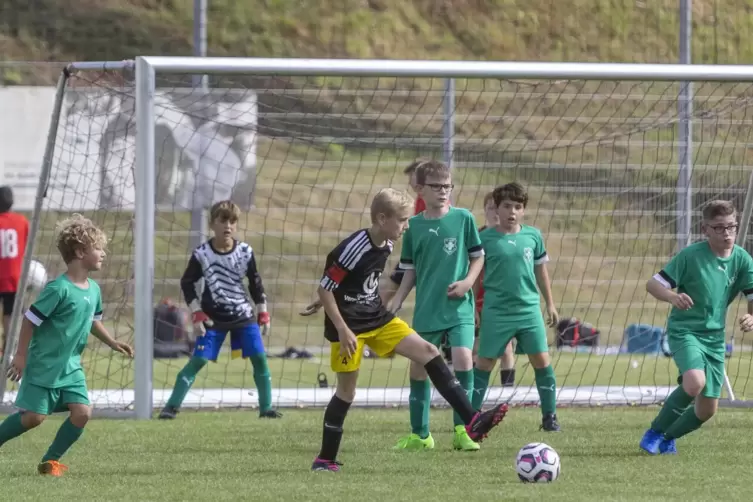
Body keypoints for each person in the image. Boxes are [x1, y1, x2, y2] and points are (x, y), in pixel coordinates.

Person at [311, 188, 509, 472]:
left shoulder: (388, 243)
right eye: (402, 220)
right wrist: (341, 327)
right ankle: (324, 459)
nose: (406, 226)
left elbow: (349, 283)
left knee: (428, 352)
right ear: (382, 219)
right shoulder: (354, 247)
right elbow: (326, 286)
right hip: (349, 328)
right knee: (346, 392)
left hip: (376, 318)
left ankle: (472, 420)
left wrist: (327, 297)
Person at [0, 214, 133, 476]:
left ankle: (50, 462)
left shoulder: (93, 289)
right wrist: (21, 356)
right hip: (44, 366)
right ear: (81, 251)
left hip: (71, 368)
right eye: (99, 248)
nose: (104, 253)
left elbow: (93, 322)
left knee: (82, 412)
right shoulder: (57, 289)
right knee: (33, 419)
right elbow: (29, 321)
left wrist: (112, 342)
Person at [640, 200, 753, 455]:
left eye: (732, 227)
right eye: (720, 228)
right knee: (694, 382)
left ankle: (668, 438)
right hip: (685, 331)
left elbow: (751, 296)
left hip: (714, 338)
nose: (727, 234)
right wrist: (672, 297)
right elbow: (653, 284)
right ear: (706, 229)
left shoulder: (743, 260)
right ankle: (655, 431)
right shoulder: (690, 256)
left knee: (707, 410)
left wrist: (750, 317)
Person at [388, 160, 484, 451]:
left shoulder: (464, 218)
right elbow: (410, 270)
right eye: (436, 187)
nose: (443, 192)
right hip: (428, 308)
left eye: (447, 186)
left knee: (464, 360)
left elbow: (478, 256)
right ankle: (421, 435)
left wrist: (468, 282)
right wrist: (397, 300)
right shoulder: (414, 226)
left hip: (460, 308)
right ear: (420, 189)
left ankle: (462, 430)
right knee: (418, 370)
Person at [159, 200, 280, 419]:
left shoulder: (244, 252)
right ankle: (171, 407)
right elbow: (187, 283)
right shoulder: (202, 254)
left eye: (233, 221)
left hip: (243, 315)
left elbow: (255, 283)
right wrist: (197, 313)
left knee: (259, 358)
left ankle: (267, 408)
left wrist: (262, 311)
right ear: (212, 224)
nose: (228, 226)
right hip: (213, 318)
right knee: (199, 360)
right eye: (223, 220)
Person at [472, 182, 561, 432]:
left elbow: (541, 272)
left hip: (528, 310)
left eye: (518, 207)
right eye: (507, 206)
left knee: (541, 360)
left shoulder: (532, 236)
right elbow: (475, 276)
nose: (512, 212)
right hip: (496, 311)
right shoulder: (484, 239)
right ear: (496, 210)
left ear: (523, 211)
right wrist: (472, 307)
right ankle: (472, 417)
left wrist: (550, 304)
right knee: (484, 363)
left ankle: (550, 417)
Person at [299, 158, 430, 317]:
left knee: (398, 293)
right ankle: (374, 319)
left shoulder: (428, 203)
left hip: (424, 255)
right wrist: (326, 298)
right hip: (414, 256)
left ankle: (377, 319)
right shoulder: (364, 246)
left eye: (413, 175)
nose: (409, 180)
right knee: (388, 291)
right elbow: (335, 282)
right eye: (404, 220)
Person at [475, 191, 516, 386]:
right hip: (479, 301)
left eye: (497, 208)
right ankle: (471, 391)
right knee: (476, 349)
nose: (494, 213)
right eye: (490, 208)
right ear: (485, 211)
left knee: (506, 347)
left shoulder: (511, 237)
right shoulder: (477, 237)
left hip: (503, 302)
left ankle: (507, 392)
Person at [0, 186, 29, 357]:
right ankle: (8, 349)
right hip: (13, 277)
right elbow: (24, 247)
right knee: (10, 314)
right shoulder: (21, 221)